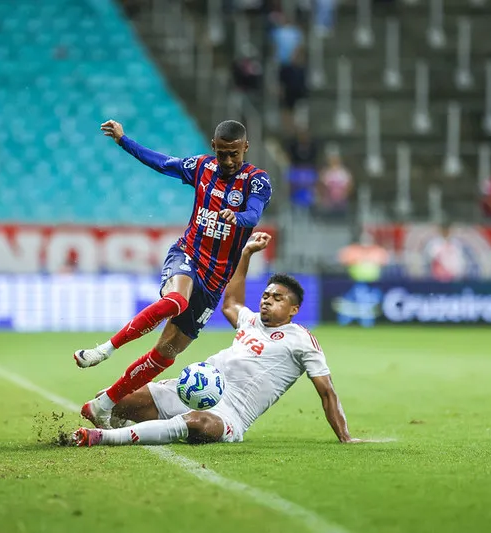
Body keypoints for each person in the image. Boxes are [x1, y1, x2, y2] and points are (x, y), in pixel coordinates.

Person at [72, 233, 365, 447]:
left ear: (294, 309)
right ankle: (132, 424)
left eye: (277, 298)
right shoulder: (250, 321)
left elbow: (327, 391)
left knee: (197, 423)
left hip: (230, 412)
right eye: (265, 296)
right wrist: (246, 254)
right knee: (109, 398)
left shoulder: (301, 341)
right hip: (190, 390)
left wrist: (345, 436)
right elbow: (230, 303)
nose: (267, 302)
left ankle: (104, 438)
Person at [74, 119, 272, 429]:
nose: (229, 161)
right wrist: (124, 140)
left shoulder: (257, 181)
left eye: (234, 153)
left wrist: (238, 216)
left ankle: (103, 404)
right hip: (188, 255)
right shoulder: (201, 168)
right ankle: (104, 350)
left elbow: (254, 214)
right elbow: (162, 163)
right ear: (213, 147)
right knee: (177, 299)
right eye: (222, 154)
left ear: (245, 147)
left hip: (215, 280)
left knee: (165, 355)